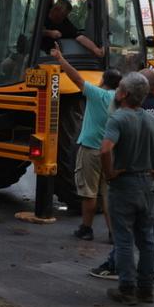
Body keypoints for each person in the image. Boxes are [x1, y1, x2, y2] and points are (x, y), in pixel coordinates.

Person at [90, 69, 154, 280]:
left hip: (124, 184)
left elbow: (105, 150)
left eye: (119, 88)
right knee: (147, 238)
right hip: (148, 184)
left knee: (123, 239)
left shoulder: (118, 118)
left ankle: (127, 284)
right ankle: (147, 284)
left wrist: (110, 173)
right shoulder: (153, 118)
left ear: (124, 94)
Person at [51, 46, 121, 241]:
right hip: (112, 152)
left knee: (88, 193)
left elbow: (76, 78)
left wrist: (60, 58)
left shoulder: (97, 95)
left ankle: (86, 229)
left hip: (91, 150)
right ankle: (113, 233)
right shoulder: (120, 100)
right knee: (109, 194)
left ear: (102, 81)